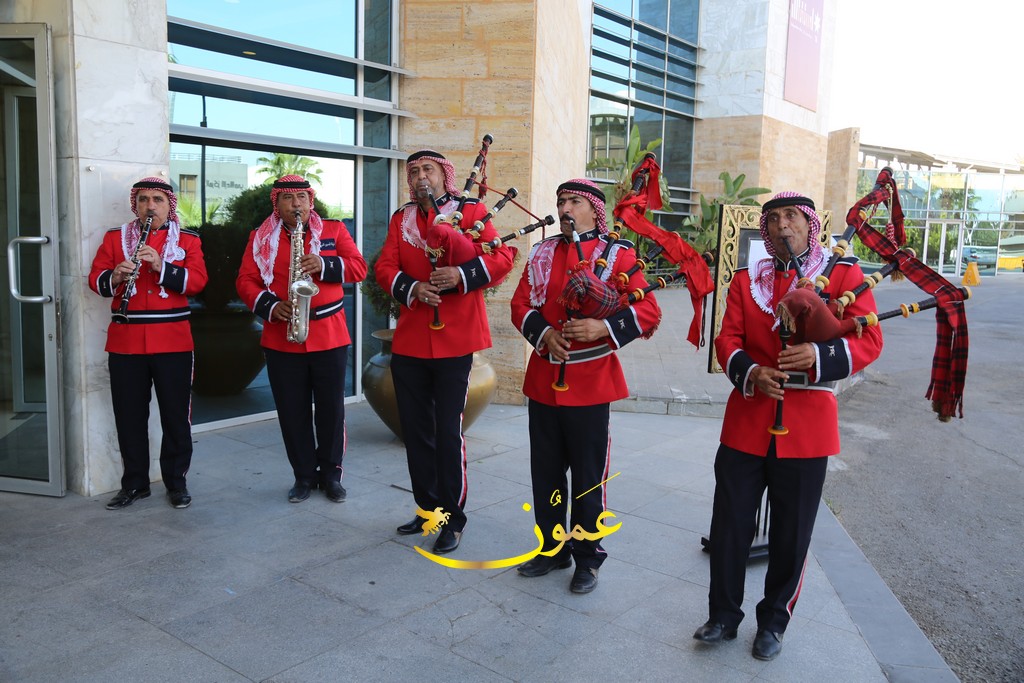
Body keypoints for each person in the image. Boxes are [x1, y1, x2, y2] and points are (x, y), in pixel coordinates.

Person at [693, 192, 883, 660]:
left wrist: (817, 355)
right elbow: (727, 340)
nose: (782, 226)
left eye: (792, 217)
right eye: (774, 219)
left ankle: (773, 623)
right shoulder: (746, 280)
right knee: (729, 525)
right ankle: (723, 617)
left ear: (810, 224)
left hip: (808, 426)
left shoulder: (844, 274)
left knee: (791, 535)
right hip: (748, 419)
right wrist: (751, 372)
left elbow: (870, 340)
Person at [509, 178, 661, 593]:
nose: (564, 208)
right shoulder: (542, 252)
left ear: (595, 209)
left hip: (591, 383)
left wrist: (602, 327)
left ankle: (588, 558)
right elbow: (520, 304)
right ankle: (552, 548)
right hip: (544, 380)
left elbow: (648, 309)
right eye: (560, 201)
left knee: (588, 478)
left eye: (574, 201)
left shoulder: (618, 254)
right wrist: (543, 334)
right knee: (546, 475)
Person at [374, 150, 514, 555]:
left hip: (455, 340)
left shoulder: (470, 211)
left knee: (448, 432)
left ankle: (453, 518)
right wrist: (413, 288)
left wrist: (460, 275)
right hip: (412, 340)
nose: (421, 176)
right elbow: (385, 267)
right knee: (415, 430)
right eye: (415, 171)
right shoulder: (401, 219)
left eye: (429, 170)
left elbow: (502, 257)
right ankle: (427, 510)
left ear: (443, 176)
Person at [236, 175, 367, 503]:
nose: (296, 204)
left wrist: (324, 264)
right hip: (282, 336)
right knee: (292, 411)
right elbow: (246, 280)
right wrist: (269, 305)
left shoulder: (334, 230)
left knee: (331, 411)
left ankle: (332, 474)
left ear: (311, 201)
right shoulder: (259, 236)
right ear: (277, 203)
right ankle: (303, 476)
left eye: (302, 198)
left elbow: (359, 268)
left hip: (329, 335)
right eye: (288, 198)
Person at [88, 176, 208, 510]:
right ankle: (135, 484)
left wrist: (160, 265)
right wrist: (115, 276)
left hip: (172, 341)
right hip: (126, 341)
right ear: (135, 204)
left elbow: (198, 282)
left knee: (175, 417)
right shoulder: (115, 238)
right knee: (129, 417)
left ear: (169, 204)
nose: (149, 206)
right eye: (143, 199)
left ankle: (176, 483)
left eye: (157, 199)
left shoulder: (188, 239)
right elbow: (95, 279)